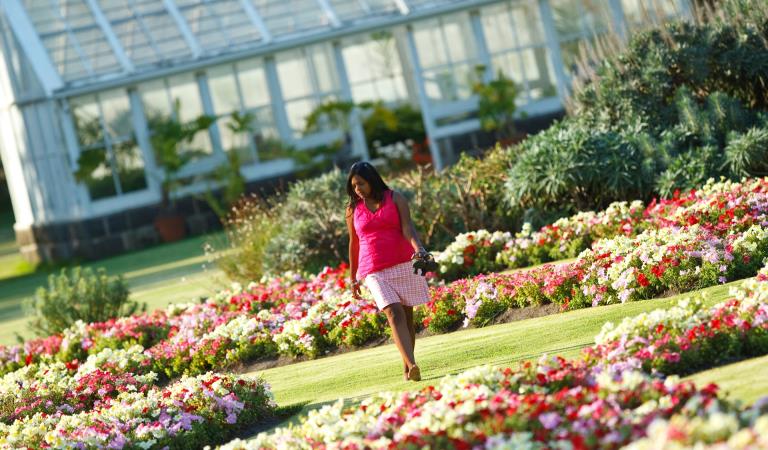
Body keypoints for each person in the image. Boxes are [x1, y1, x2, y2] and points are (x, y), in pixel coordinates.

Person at [345, 161, 430, 382]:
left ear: (372, 180)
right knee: (393, 312)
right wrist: (353, 277)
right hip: (372, 269)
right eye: (354, 186)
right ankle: (413, 364)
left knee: (407, 318)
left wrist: (419, 249)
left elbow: (407, 228)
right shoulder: (353, 209)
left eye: (361, 184)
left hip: (403, 263)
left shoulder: (396, 198)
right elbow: (354, 244)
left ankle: (407, 368)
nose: (357, 190)